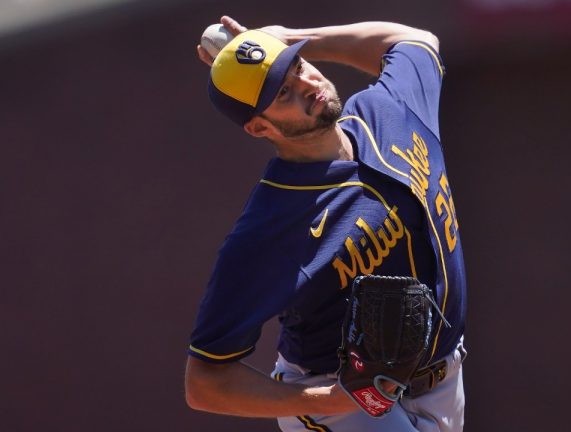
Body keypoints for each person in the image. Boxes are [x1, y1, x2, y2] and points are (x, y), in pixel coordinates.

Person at [185, 15, 468, 432]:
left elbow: (413, 39)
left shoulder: (388, 109)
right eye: (283, 92)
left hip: (445, 379)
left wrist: (295, 38)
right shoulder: (268, 230)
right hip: (342, 403)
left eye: (297, 67)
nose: (307, 85)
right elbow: (205, 382)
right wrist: (332, 399)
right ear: (259, 126)